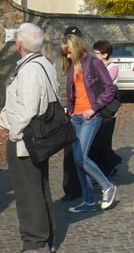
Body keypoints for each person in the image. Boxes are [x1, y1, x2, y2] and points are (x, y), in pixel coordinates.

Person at [0, 22, 58, 252]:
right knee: (39, 186)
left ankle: (35, 241)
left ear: (20, 44)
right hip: (37, 136)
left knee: (28, 191)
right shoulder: (44, 64)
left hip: (26, 139)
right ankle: (46, 237)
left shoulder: (31, 69)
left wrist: (14, 132)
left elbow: (29, 107)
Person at [61, 33, 118, 213]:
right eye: (65, 54)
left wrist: (93, 109)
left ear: (76, 48)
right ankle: (89, 201)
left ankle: (107, 186)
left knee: (81, 157)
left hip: (90, 116)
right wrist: (71, 112)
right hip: (76, 117)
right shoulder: (72, 66)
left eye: (69, 52)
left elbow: (109, 89)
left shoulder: (94, 63)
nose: (67, 56)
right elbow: (72, 93)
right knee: (78, 160)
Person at [88, 40, 122, 177]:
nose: (95, 56)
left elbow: (102, 83)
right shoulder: (94, 66)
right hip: (96, 108)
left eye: (97, 53)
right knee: (97, 142)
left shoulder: (112, 68)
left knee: (104, 141)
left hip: (107, 109)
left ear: (105, 54)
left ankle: (110, 165)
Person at [60, 25, 84, 202]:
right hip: (68, 113)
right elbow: (61, 88)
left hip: (83, 114)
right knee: (69, 153)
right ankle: (71, 188)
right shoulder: (62, 63)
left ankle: (86, 185)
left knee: (81, 153)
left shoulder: (86, 63)